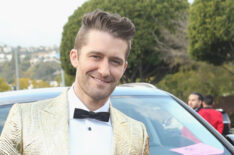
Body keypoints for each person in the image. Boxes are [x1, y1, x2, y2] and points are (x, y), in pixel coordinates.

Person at [0, 9, 149, 155]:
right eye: (96, 56)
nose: (104, 71)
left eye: (115, 61)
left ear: (124, 68)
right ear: (74, 57)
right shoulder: (24, 120)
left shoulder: (137, 134)